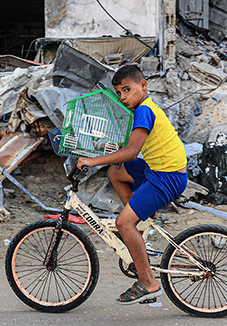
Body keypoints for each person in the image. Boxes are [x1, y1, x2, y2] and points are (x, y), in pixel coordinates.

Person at [77, 64, 188, 305]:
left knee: (122, 222)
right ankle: (138, 223)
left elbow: (132, 151)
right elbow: (126, 149)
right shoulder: (142, 108)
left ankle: (149, 283)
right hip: (157, 168)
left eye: (127, 90)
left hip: (167, 176)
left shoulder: (145, 111)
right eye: (119, 92)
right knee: (116, 173)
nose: (123, 97)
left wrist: (94, 161)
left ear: (143, 85)